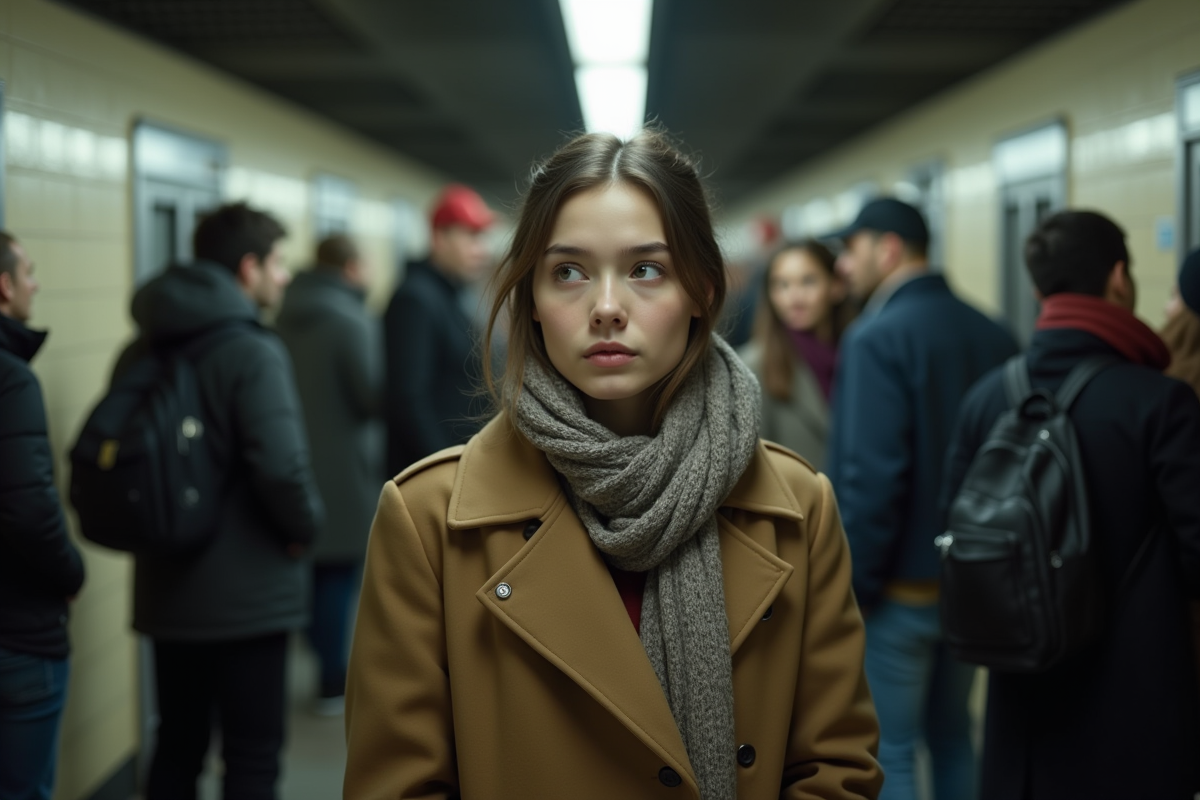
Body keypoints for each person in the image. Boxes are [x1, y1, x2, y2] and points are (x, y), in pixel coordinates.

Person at [345, 129, 882, 800]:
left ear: (701, 290)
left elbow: (835, 769)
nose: (605, 308)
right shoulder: (427, 523)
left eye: (646, 270)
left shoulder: (798, 509)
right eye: (567, 272)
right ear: (531, 302)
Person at [944, 211, 1200, 799]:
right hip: (1136, 712)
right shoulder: (1160, 403)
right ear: (1119, 278)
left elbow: (951, 526)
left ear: (1039, 290)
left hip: (1022, 708)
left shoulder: (988, 399)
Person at [115, 203, 324, 800]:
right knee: (251, 757)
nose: (284, 276)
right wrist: (305, 529)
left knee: (177, 747)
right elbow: (281, 468)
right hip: (249, 597)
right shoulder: (253, 351)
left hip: (167, 586)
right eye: (277, 263)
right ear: (247, 268)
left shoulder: (143, 347)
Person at [826, 198, 1017, 800]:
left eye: (851, 251)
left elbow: (873, 478)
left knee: (892, 748)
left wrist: (855, 587)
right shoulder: (994, 332)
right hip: (975, 582)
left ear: (887, 249)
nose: (843, 267)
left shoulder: (874, 338)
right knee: (955, 737)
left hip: (899, 592)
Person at [276, 233, 382, 715]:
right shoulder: (349, 319)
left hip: (294, 459)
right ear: (351, 267)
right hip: (342, 465)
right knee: (338, 572)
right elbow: (370, 395)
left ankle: (315, 650)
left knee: (309, 566)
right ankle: (330, 680)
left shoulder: (282, 315)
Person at [0, 232, 85, 800]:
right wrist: (70, 572)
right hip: (17, 630)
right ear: (4, 286)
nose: (36, 283)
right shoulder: (11, 379)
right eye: (27, 271)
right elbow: (28, 508)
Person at [383, 184, 495, 476]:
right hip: (432, 475)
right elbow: (408, 401)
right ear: (439, 238)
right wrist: (446, 471)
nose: (482, 250)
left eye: (483, 238)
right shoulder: (415, 300)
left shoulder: (448, 295)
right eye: (472, 236)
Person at [740, 238, 851, 469]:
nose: (794, 297)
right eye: (782, 285)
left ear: (836, 286)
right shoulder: (753, 364)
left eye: (808, 281)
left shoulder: (856, 352)